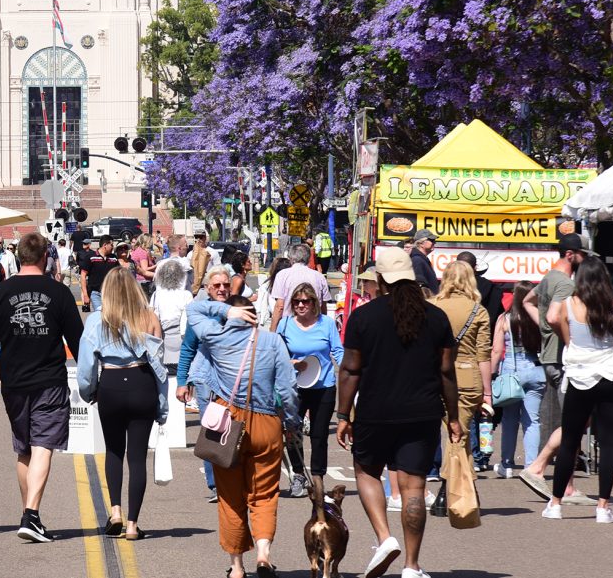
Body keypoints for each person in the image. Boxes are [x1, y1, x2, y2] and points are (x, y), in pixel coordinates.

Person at [336, 247, 461, 578]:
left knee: (366, 472)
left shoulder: (363, 317)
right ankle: (411, 565)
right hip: (422, 412)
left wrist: (343, 415)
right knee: (413, 487)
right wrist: (453, 416)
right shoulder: (436, 317)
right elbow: (447, 372)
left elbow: (350, 370)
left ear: (380, 278)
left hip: (374, 411)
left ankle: (384, 538)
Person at [0, 232, 84, 543]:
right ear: (45, 258)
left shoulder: (1, 292)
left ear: (19, 257)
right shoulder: (59, 292)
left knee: (25, 449)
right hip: (49, 380)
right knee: (42, 446)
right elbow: (77, 341)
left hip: (14, 381)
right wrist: (91, 378)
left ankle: (29, 515)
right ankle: (31, 515)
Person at [189, 292, 298, 578]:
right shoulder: (273, 341)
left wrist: (224, 311)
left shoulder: (216, 337)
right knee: (264, 493)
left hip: (227, 423)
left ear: (230, 315)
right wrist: (292, 422)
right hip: (266, 422)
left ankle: (237, 567)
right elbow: (287, 389)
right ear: (254, 315)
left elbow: (193, 310)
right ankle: (263, 553)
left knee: (230, 497)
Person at [77, 269, 167, 541]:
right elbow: (159, 366)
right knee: (137, 457)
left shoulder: (97, 320)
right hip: (142, 383)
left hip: (112, 383)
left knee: (114, 450)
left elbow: (86, 366)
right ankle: (132, 524)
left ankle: (115, 510)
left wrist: (90, 391)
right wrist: (162, 406)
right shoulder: (148, 318)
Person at [541, 255, 613, 523]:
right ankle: (603, 507)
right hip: (611, 375)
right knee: (609, 442)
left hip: (579, 376)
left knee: (570, 440)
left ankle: (556, 503)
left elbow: (568, 339)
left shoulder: (569, 305)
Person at [518, 233, 588, 500]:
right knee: (575, 422)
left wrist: (546, 330)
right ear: (570, 255)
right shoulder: (565, 284)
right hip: (562, 359)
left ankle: (567, 485)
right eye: (582, 255)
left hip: (551, 357)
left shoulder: (549, 278)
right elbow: (552, 315)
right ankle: (540, 469)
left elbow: (527, 301)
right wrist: (568, 338)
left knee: (571, 421)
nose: (584, 260)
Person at [276, 280, 344, 500]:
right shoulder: (285, 324)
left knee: (319, 435)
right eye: (296, 301)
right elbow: (277, 354)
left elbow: (338, 351)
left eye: (305, 301)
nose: (301, 305)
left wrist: (350, 372)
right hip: (295, 387)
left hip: (324, 386)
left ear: (314, 303)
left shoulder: (326, 324)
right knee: (292, 432)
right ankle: (298, 474)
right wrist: (291, 363)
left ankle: (318, 477)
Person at [177, 265, 235, 503]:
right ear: (208, 289)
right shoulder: (199, 315)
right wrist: (182, 381)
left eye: (225, 285)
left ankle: (234, 480)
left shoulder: (239, 310)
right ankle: (215, 485)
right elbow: (187, 348)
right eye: (216, 285)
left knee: (237, 429)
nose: (221, 289)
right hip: (206, 380)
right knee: (212, 430)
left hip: (235, 380)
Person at [432, 261, 493, 448]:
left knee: (437, 435)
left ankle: (445, 466)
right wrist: (488, 393)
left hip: (433, 376)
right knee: (460, 437)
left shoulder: (431, 306)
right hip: (467, 378)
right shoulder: (478, 311)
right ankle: (458, 468)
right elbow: (483, 354)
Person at [491, 279, 546, 478]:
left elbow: (497, 350)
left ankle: (507, 464)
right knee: (532, 420)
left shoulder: (505, 319)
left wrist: (492, 373)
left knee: (510, 420)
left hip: (511, 371)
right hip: (536, 369)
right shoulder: (539, 317)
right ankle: (531, 466)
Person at [269, 243, 331, 330]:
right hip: (314, 326)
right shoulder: (319, 277)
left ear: (291, 258)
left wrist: (273, 329)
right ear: (308, 258)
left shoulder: (282, 275)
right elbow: (323, 306)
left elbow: (279, 306)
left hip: (290, 326)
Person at [148, 258, 193, 373]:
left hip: (162, 339)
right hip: (182, 340)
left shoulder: (156, 295)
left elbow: (152, 316)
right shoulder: (186, 295)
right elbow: (189, 319)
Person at [81, 235, 120, 313]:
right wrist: (85, 295)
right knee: (100, 314)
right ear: (105, 245)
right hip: (96, 293)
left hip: (110, 293)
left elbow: (118, 275)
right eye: (111, 245)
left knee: (110, 315)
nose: (113, 247)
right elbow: (83, 276)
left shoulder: (114, 258)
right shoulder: (91, 257)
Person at [256, 257, 290, 330]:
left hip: (272, 324)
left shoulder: (267, 285)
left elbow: (259, 308)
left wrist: (272, 328)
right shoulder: (268, 286)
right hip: (286, 324)